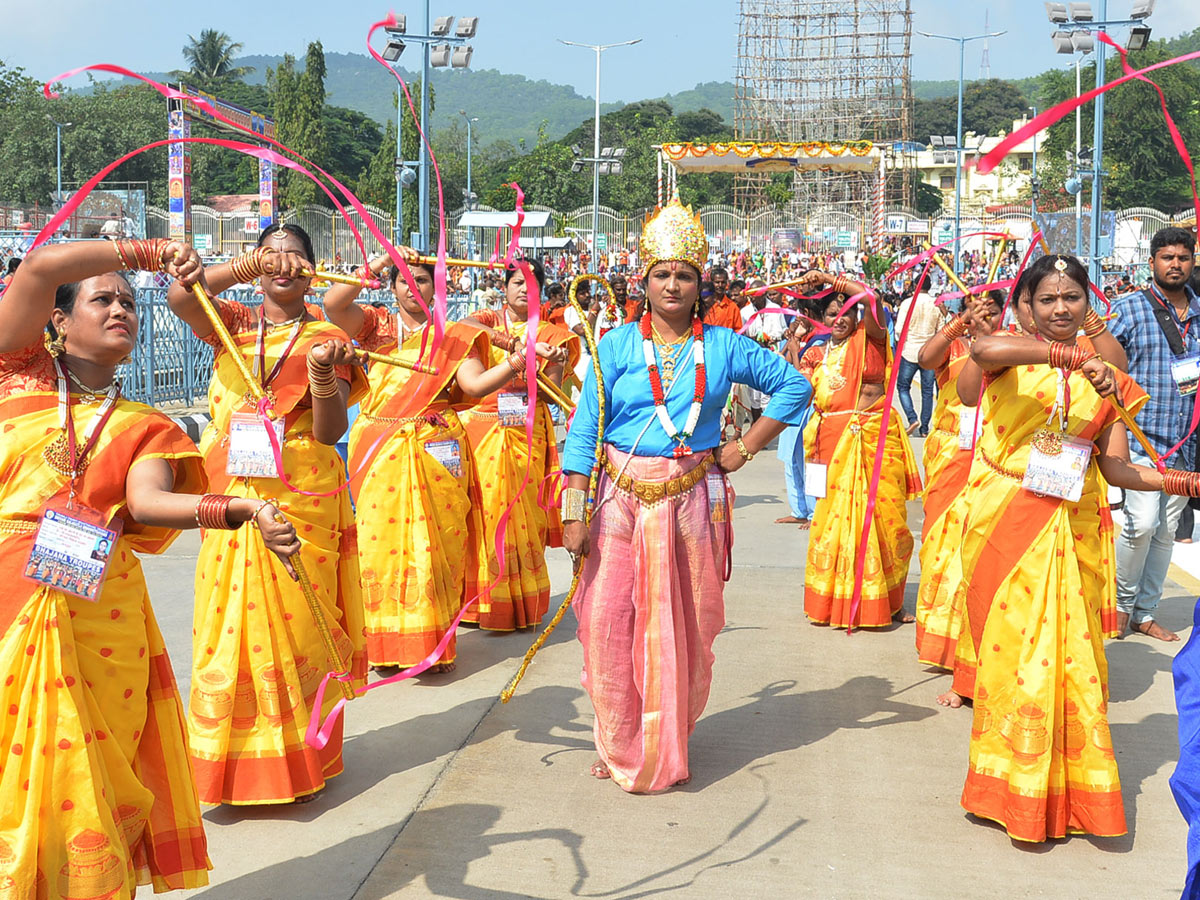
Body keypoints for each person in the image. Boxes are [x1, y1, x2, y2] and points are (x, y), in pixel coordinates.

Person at [0, 238, 299, 895]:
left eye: (130, 303)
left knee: (97, 776)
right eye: (102, 298)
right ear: (58, 321)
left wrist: (240, 506)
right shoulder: (15, 375)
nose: (121, 310)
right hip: (9, 604)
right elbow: (40, 268)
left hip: (103, 620)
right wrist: (148, 251)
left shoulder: (145, 423)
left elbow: (148, 502)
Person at [560, 198, 810, 792]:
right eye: (662, 274)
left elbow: (794, 385)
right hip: (619, 500)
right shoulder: (615, 346)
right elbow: (582, 433)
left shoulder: (723, 346)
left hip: (690, 501)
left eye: (685, 275)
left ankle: (667, 737)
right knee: (608, 622)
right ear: (641, 282)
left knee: (688, 626)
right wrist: (574, 512)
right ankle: (621, 740)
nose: (673, 285)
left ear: (701, 283)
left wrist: (746, 446)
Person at [958, 253, 1200, 842]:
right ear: (1028, 306)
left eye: (1072, 298)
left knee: (1075, 661)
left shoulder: (1107, 374)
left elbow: (1115, 467)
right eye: (1047, 300)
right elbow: (977, 365)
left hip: (1074, 531)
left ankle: (1072, 788)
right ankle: (1009, 783)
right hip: (1006, 525)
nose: (1061, 309)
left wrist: (1181, 482)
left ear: (1088, 302)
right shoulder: (1008, 353)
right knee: (1014, 660)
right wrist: (1065, 355)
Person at [165, 223, 369, 806]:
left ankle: (302, 756)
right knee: (225, 627)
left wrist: (324, 375)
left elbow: (330, 434)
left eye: (295, 256)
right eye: (271, 255)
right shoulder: (232, 324)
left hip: (302, 495)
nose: (283, 265)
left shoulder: (328, 335)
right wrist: (248, 267)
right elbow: (183, 296)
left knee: (302, 623)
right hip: (230, 497)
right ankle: (230, 766)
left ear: (314, 265)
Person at [324, 251, 567, 665]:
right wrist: (383, 260)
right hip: (379, 449)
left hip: (437, 449)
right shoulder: (374, 326)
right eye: (404, 281)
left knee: (435, 547)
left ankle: (431, 647)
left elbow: (473, 386)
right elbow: (333, 305)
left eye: (421, 280)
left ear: (437, 286)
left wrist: (516, 360)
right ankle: (384, 646)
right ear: (392, 285)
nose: (413, 288)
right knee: (376, 546)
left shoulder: (453, 336)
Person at [459, 259, 579, 631]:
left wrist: (552, 362)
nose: (523, 290)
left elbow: (553, 393)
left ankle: (518, 606)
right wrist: (513, 344)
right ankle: (476, 605)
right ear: (505, 286)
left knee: (521, 517)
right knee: (481, 515)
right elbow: (460, 327)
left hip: (527, 431)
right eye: (516, 282)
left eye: (531, 284)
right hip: (480, 431)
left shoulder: (554, 334)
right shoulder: (486, 320)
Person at [801, 272, 922, 629]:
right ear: (822, 319)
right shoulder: (816, 355)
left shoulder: (871, 338)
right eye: (831, 313)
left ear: (857, 319)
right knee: (828, 522)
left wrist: (829, 279)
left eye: (846, 312)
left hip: (874, 438)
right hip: (828, 441)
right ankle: (828, 602)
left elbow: (870, 298)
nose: (838, 319)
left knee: (886, 521)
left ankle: (890, 602)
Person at [1110, 226, 1199, 642]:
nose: (1175, 264)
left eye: (1183, 257)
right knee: (1139, 524)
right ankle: (1120, 606)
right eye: (1168, 257)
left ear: (1192, 262)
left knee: (1166, 532)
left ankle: (1145, 612)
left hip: (1185, 441)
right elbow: (1104, 365)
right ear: (1152, 263)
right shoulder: (1128, 309)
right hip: (1140, 440)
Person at [913, 290, 1000, 693]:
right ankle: (943, 644)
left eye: (993, 310)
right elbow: (925, 360)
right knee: (940, 549)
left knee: (979, 550)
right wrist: (960, 324)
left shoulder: (1010, 345)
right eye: (977, 308)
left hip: (993, 452)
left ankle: (976, 646)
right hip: (950, 452)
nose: (985, 316)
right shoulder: (957, 341)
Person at [895, 288, 942, 436]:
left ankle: (912, 417)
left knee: (903, 387)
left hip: (910, 350)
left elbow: (899, 329)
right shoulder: (935, 304)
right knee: (927, 391)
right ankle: (924, 428)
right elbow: (940, 330)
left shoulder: (907, 303)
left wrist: (901, 343)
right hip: (928, 352)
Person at [701, 265, 741, 329]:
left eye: (723, 282)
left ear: (726, 283)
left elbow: (738, 330)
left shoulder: (733, 307)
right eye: (717, 282)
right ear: (711, 282)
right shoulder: (704, 304)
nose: (720, 285)